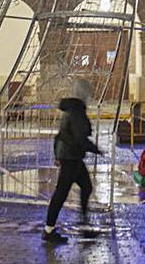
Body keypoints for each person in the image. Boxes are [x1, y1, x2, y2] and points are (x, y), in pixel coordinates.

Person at [42, 79, 101, 244]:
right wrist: (96, 149)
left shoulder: (73, 108)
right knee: (61, 194)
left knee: (86, 187)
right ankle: (49, 230)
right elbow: (79, 137)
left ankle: (84, 225)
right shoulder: (75, 111)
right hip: (71, 157)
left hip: (72, 156)